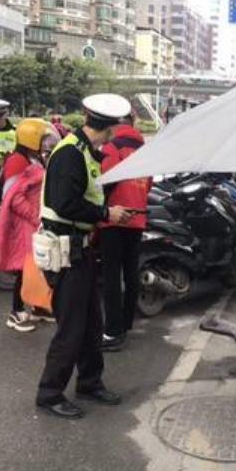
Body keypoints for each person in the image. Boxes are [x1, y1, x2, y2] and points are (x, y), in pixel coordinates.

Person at [35, 93, 133, 420]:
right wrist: (107, 212)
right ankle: (49, 393)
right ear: (109, 127)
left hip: (83, 247)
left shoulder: (90, 152)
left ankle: (90, 382)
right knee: (72, 326)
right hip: (65, 248)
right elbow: (64, 203)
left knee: (93, 322)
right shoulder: (70, 155)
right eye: (116, 127)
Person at [0, 119, 57, 332]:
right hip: (23, 224)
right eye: (43, 139)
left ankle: (37, 308)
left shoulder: (32, 159)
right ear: (32, 139)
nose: (47, 143)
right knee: (23, 269)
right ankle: (16, 313)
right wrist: (36, 217)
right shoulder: (18, 161)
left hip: (33, 223)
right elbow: (14, 198)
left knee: (37, 267)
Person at [99, 117, 149, 351]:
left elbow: (104, 180)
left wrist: (101, 210)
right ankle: (127, 323)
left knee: (111, 276)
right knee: (131, 273)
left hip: (115, 218)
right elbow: (148, 185)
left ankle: (112, 332)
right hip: (137, 218)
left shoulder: (112, 147)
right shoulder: (145, 149)